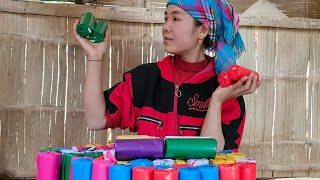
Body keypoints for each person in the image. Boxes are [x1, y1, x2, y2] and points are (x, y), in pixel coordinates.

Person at [73, 0, 261, 152]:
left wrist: (217, 101)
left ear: (203, 30)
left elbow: (215, 156)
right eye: (165, 18)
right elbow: (96, 120)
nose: (166, 27)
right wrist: (95, 56)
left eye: (176, 19)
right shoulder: (145, 79)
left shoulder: (225, 89)